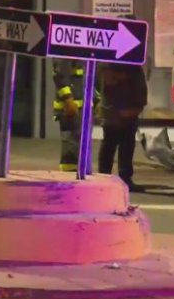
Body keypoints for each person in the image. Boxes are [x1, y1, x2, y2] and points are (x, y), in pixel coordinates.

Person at [97, 16, 148, 192]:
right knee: (111, 143)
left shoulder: (131, 54)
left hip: (126, 107)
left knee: (124, 144)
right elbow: (107, 79)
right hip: (115, 108)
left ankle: (122, 177)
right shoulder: (113, 56)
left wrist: (138, 104)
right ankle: (105, 176)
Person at [52, 60, 86, 172]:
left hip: (81, 106)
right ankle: (69, 177)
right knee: (71, 145)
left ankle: (77, 174)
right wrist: (67, 100)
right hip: (70, 107)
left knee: (79, 145)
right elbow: (59, 77)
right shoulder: (66, 48)